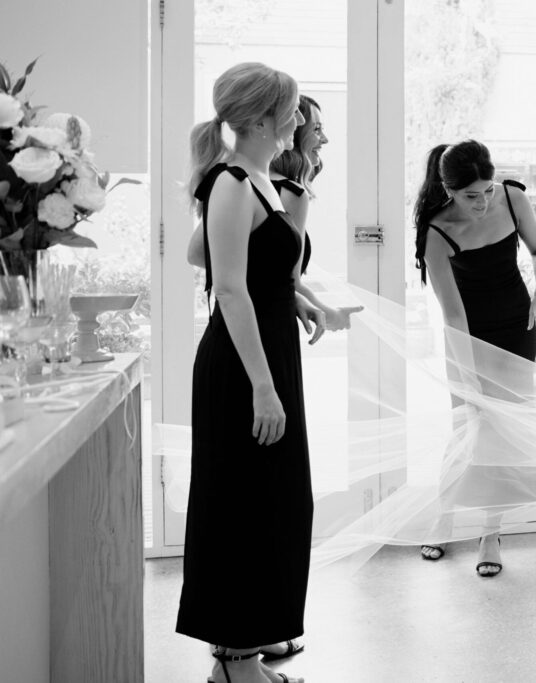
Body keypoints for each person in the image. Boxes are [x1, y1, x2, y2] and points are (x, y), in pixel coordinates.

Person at [176, 62, 315, 683]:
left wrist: (309, 305)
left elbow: (254, 271)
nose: (300, 120)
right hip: (243, 367)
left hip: (268, 353)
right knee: (243, 505)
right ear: (261, 119)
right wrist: (263, 386)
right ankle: (233, 666)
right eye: (291, 110)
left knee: (276, 503)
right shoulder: (232, 182)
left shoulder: (256, 178)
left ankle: (245, 655)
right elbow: (228, 290)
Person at [413, 140, 536, 577]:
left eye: (487, 191)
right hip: (467, 335)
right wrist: (467, 375)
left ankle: (491, 533)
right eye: (471, 195)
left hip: (517, 329)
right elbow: (452, 313)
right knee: (467, 428)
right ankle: (444, 519)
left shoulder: (512, 197)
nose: (482, 202)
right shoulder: (435, 232)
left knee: (505, 435)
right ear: (448, 189)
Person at [188, 93, 361, 334]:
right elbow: (290, 282)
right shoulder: (289, 193)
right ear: (293, 133)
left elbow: (197, 254)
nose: (325, 139)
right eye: (317, 129)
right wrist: (332, 316)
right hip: (265, 326)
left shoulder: (243, 182)